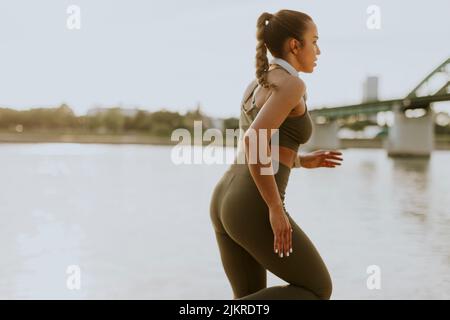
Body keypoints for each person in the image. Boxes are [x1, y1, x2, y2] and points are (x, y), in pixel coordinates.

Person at [209, 9, 343, 300]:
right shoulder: (293, 84)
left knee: (249, 297)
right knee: (317, 289)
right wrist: (275, 208)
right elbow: (254, 139)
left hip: (224, 197)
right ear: (295, 45)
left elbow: (264, 144)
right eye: (314, 41)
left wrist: (299, 160)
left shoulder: (258, 82)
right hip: (252, 203)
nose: (318, 50)